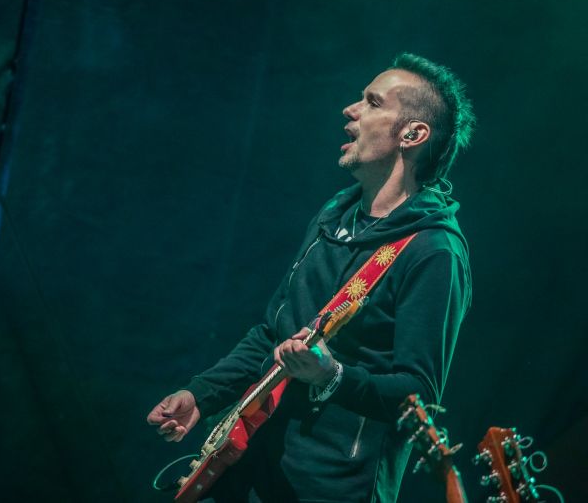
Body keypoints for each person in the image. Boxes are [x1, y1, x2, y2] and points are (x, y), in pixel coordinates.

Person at [147, 53, 475, 502]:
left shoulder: (433, 251)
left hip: (330, 486)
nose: (351, 110)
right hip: (254, 464)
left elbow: (419, 395)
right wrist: (202, 394)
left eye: (373, 102)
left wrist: (332, 375)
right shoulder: (333, 216)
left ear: (413, 134)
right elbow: (273, 334)